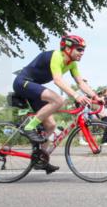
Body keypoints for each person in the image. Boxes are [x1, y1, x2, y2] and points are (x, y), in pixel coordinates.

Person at [12, 34, 98, 173]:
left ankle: (41, 159)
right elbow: (57, 80)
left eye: (83, 50)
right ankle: (29, 127)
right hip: (23, 82)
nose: (82, 53)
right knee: (58, 100)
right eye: (79, 49)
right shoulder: (56, 56)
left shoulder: (72, 63)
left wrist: (95, 96)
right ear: (68, 49)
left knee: (51, 125)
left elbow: (80, 83)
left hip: (34, 87)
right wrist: (76, 95)